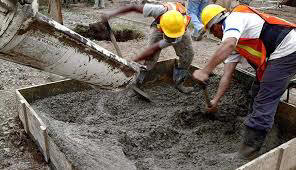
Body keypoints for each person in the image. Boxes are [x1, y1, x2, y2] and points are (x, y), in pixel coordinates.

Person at [192, 4, 296, 159]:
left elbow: (228, 44)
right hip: (272, 56)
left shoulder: (235, 18)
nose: (213, 35)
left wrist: (205, 70)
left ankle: (249, 149)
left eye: (212, 30)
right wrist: (215, 100)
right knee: (257, 89)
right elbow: (227, 75)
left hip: (288, 48)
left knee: (265, 97)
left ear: (218, 23)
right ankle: (255, 121)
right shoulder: (235, 41)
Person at [101, 2, 195, 93]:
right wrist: (112, 13)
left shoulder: (182, 20)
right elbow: (133, 7)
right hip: (159, 29)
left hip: (180, 30)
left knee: (188, 54)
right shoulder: (157, 10)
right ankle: (137, 82)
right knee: (150, 58)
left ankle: (179, 82)